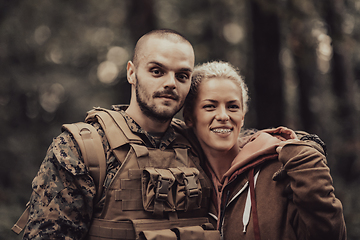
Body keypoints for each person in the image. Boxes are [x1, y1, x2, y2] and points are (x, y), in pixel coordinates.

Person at [13, 29, 219, 240]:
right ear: (132, 72)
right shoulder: (83, 148)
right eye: (157, 71)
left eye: (182, 76)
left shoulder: (200, 144)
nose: (171, 83)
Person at [183, 60, 347, 240]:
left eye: (233, 106)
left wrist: (308, 164)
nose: (223, 116)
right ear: (189, 117)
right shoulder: (184, 175)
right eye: (210, 106)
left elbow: (331, 234)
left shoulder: (282, 168)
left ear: (242, 117)